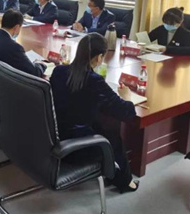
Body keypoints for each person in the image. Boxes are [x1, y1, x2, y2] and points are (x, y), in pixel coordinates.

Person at [50, 33, 138, 192]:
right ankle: (124, 181)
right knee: (112, 136)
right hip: (74, 149)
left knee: (102, 124)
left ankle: (117, 174)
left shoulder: (58, 71)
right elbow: (126, 112)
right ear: (99, 58)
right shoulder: (94, 81)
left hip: (53, 137)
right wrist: (127, 97)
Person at [0, 10, 46, 91]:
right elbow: (34, 73)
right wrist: (40, 64)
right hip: (1, 89)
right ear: (17, 27)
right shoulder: (14, 47)